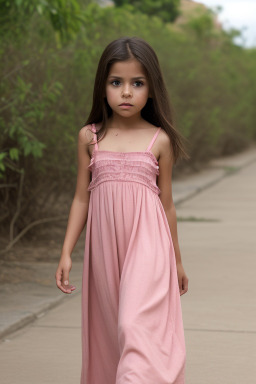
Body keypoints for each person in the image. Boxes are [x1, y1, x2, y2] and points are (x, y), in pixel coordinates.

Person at [55, 36, 189, 384]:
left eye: (137, 83)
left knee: (133, 324)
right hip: (105, 249)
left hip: (149, 247)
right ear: (103, 87)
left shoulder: (159, 140)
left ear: (152, 89)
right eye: (116, 82)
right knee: (112, 329)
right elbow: (80, 198)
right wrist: (67, 251)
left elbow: (167, 203)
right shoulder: (90, 137)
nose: (126, 92)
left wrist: (176, 260)